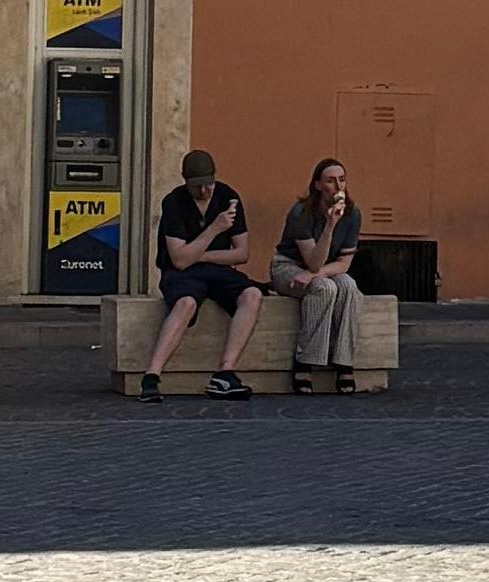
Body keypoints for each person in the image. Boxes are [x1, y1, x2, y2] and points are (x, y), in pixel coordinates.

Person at [138, 150, 255, 398]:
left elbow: (241, 253)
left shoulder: (228, 197)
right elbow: (179, 261)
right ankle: (152, 376)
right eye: (196, 186)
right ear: (185, 182)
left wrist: (198, 254)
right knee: (186, 303)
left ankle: (225, 372)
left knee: (252, 295)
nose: (203, 191)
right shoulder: (174, 202)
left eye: (208, 184)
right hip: (182, 275)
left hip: (217, 271)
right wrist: (215, 229)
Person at [268, 156, 371, 392]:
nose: (337, 186)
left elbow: (344, 263)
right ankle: (305, 361)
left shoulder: (353, 214)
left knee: (349, 286)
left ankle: (344, 361)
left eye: (342, 180)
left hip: (326, 269)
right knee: (324, 288)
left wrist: (315, 275)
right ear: (318, 185)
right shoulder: (301, 213)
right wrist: (330, 225)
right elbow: (313, 262)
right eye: (330, 181)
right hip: (288, 266)